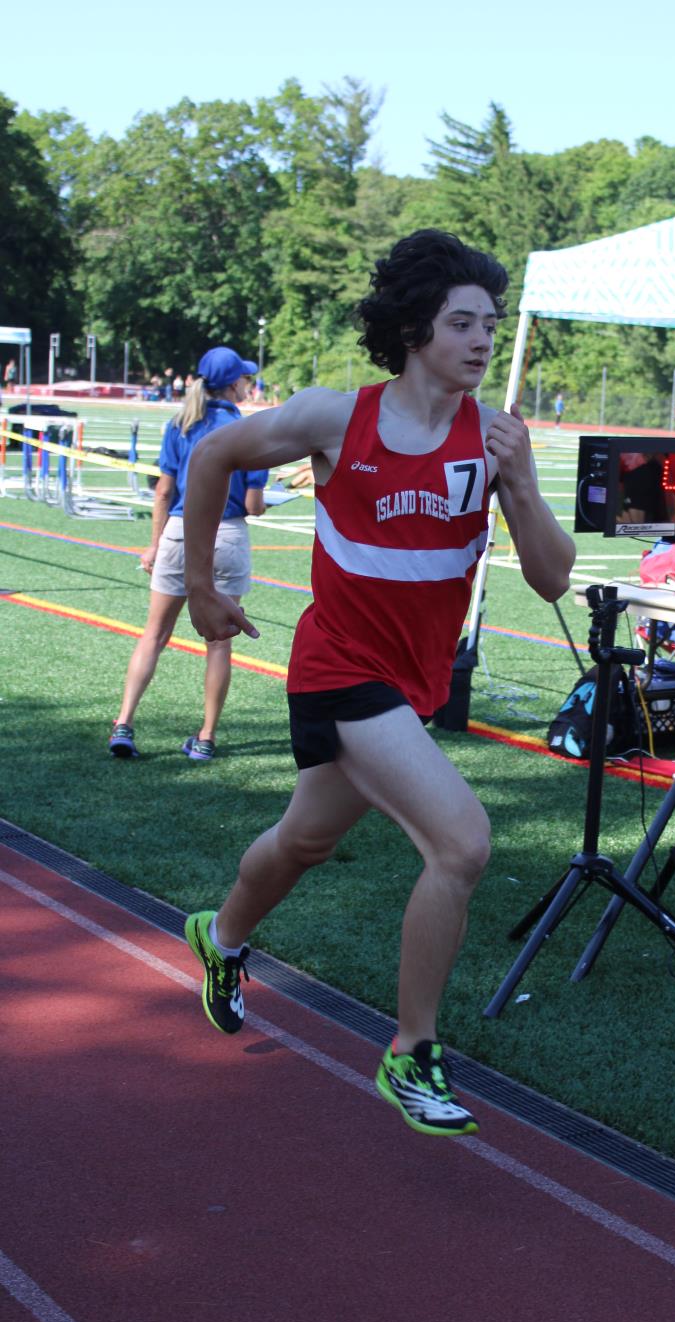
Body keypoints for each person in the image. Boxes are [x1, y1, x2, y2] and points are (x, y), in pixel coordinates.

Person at [180, 229, 576, 1137]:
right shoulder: (335, 418)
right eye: (462, 323)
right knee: (462, 845)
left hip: (413, 686)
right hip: (340, 668)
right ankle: (412, 1052)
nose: (482, 340)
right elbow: (211, 459)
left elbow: (553, 579)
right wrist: (200, 587)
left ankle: (221, 935)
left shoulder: (494, 438)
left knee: (304, 840)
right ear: (412, 330)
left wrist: (521, 484)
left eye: (491, 324)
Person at [107, 346, 266, 763]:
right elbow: (253, 505)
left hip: (179, 532)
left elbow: (163, 492)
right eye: (245, 378)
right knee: (218, 644)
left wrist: (155, 543)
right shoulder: (246, 429)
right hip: (227, 535)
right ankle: (206, 738)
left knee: (154, 635)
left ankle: (124, 723)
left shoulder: (180, 423)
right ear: (233, 384)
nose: (248, 384)